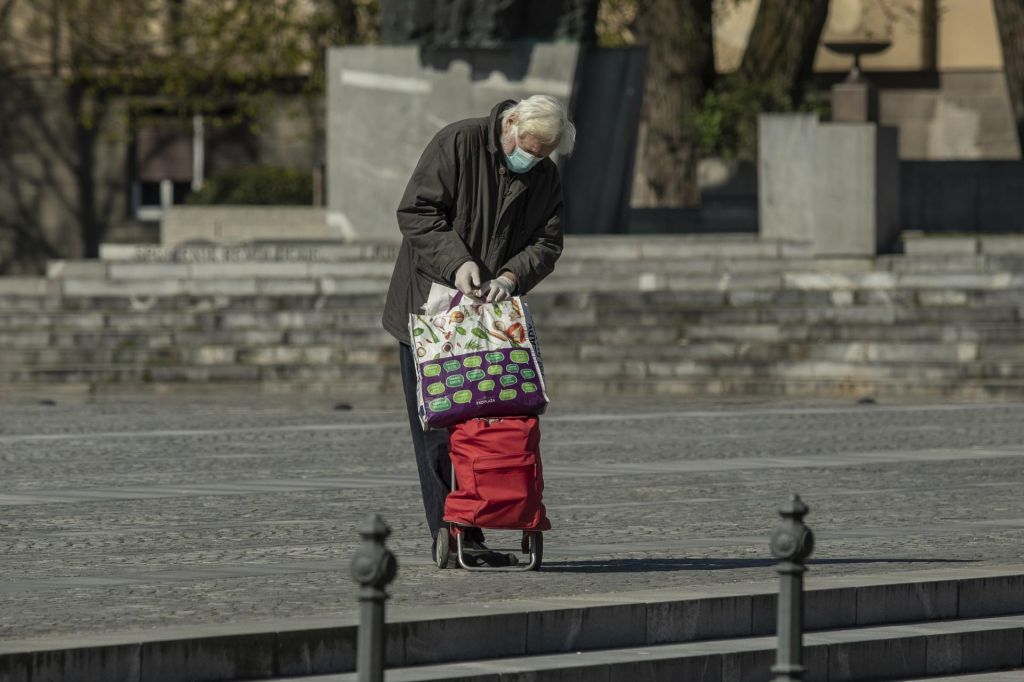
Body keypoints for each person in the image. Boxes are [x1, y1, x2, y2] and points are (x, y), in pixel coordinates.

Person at [382, 95, 575, 564]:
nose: (531, 158)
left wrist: (510, 277)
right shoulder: (459, 141)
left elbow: (546, 243)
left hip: (491, 318)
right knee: (437, 430)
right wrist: (458, 263)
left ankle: (478, 523)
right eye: (527, 147)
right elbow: (417, 212)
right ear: (510, 123)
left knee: (489, 428)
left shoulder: (544, 175)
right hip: (431, 313)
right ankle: (450, 532)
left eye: (542, 152)